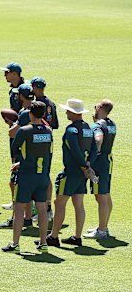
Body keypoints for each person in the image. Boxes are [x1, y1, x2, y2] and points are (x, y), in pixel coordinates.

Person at [42, 99, 98, 247]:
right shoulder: (88, 128)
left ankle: (53, 236)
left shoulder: (71, 130)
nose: (66, 112)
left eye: (68, 110)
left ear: (73, 112)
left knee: (59, 204)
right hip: (82, 175)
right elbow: (94, 150)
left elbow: (75, 150)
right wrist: (88, 165)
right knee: (79, 204)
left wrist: (83, 165)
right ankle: (77, 236)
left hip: (71, 172)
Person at [2, 101, 52, 253]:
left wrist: (20, 162)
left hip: (26, 175)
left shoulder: (24, 131)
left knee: (19, 209)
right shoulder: (48, 131)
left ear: (30, 113)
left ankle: (15, 243)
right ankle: (43, 243)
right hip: (42, 174)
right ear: (43, 114)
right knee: (42, 209)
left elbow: (15, 148)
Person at [0, 83, 35, 229]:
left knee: (15, 184)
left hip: (23, 153)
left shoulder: (25, 113)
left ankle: (15, 218)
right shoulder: (37, 108)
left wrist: (11, 123)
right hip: (35, 153)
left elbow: (13, 132)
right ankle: (28, 218)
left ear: (21, 96)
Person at [84, 99, 116, 240]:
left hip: (99, 163)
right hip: (108, 161)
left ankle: (102, 230)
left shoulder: (97, 126)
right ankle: (104, 226)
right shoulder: (111, 124)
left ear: (100, 107)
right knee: (106, 194)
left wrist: (91, 159)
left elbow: (98, 139)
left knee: (100, 196)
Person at [31, 77, 57, 222]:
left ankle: (45, 209)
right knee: (44, 173)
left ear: (35, 88)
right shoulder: (51, 103)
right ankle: (42, 208)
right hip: (48, 141)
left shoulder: (37, 104)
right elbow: (55, 124)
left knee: (40, 173)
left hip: (37, 141)